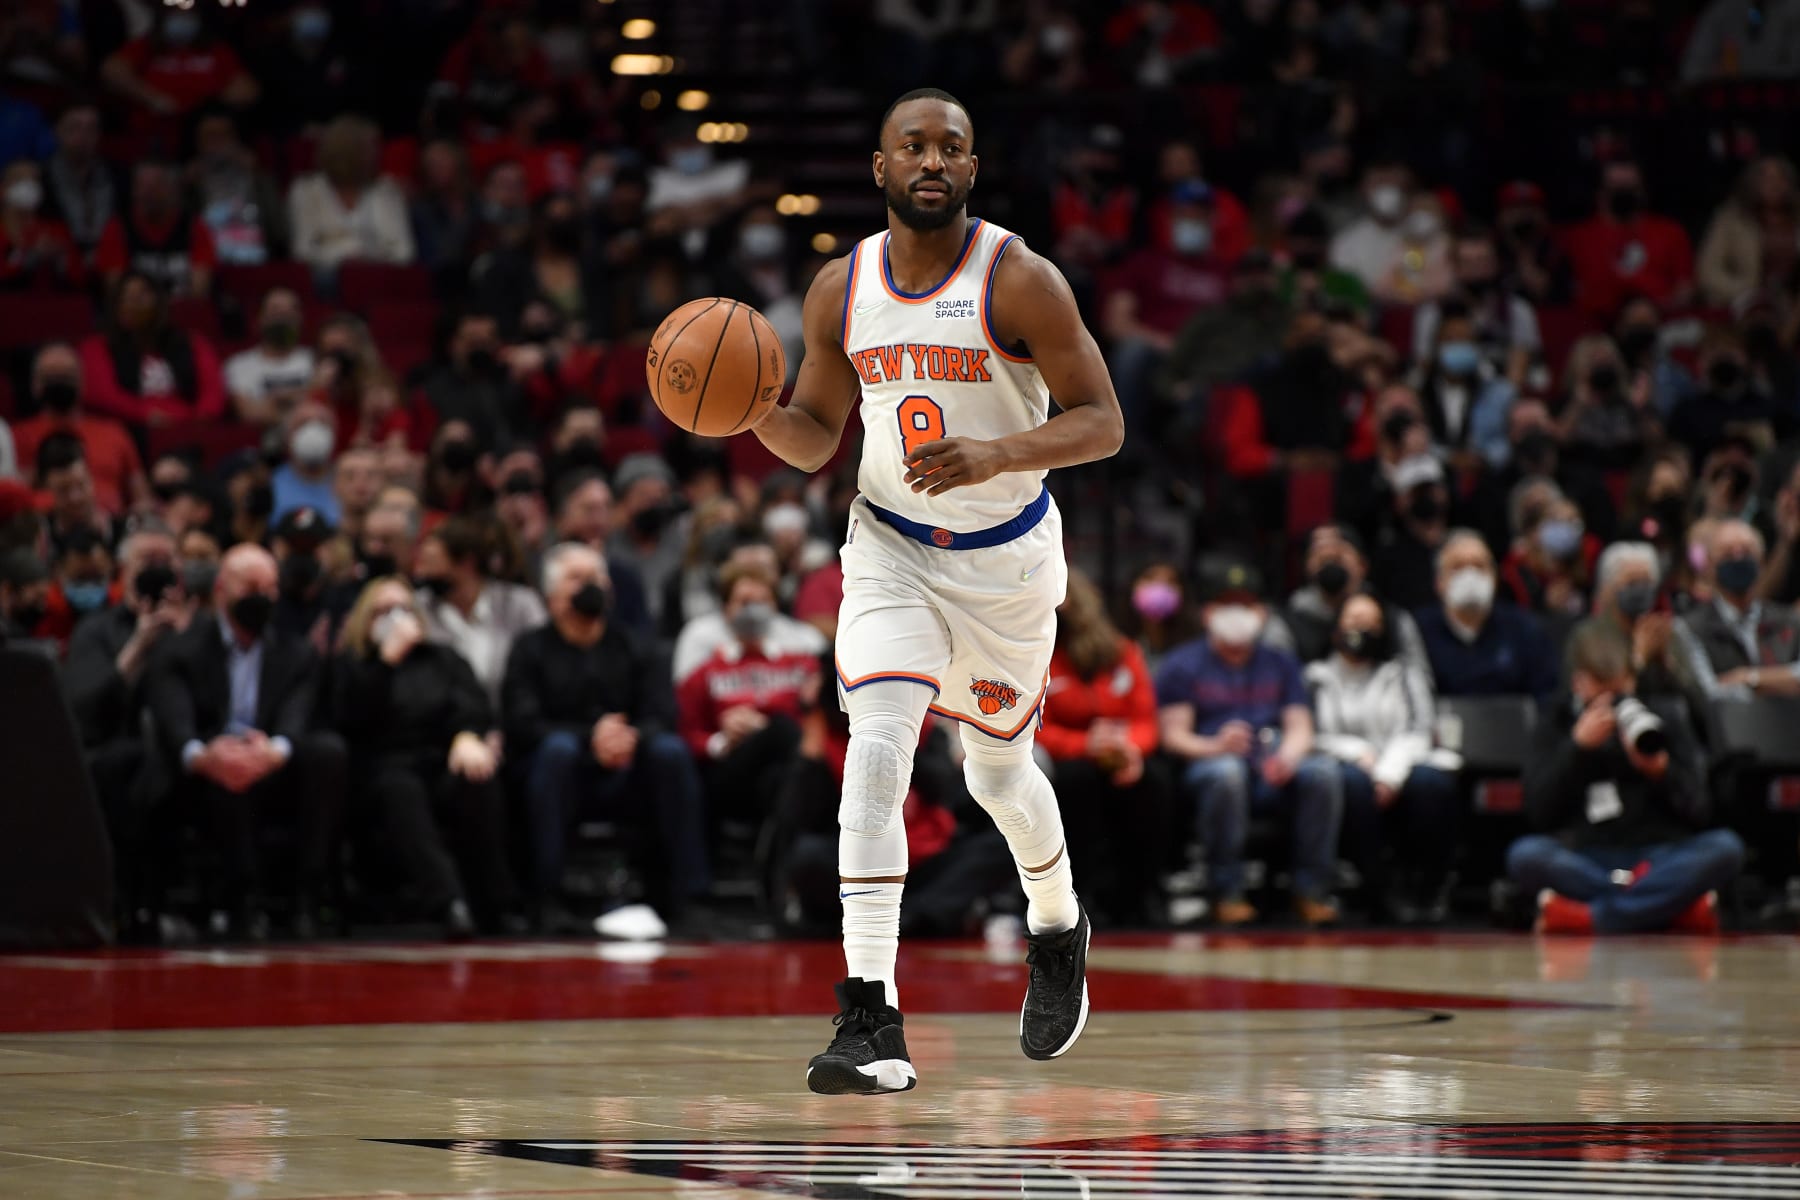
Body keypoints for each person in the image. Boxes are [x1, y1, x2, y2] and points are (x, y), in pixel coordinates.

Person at [747, 89, 1124, 1091]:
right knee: (875, 751)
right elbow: (816, 434)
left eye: (950, 147)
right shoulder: (840, 286)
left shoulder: (1022, 279)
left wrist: (998, 450)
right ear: (878, 167)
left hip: (1005, 564)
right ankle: (869, 1017)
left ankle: (1056, 924)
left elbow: (1103, 422)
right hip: (890, 551)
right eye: (911, 145)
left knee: (997, 778)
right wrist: (752, 410)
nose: (931, 159)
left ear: (970, 168)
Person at [502, 543, 710, 940]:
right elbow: (522, 723)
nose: (590, 587)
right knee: (556, 751)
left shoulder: (635, 645)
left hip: (628, 769)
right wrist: (590, 738)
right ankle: (548, 898)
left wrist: (629, 737)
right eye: (577, 579)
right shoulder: (529, 649)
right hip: (561, 774)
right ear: (551, 595)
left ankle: (686, 898)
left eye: (597, 578)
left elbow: (662, 714)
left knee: (670, 752)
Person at [144, 544, 346, 940]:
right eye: (251, 586)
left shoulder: (297, 652)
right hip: (205, 770)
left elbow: (296, 716)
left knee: (328, 753)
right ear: (221, 589)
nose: (263, 597)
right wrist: (205, 756)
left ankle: (306, 899)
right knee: (226, 769)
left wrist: (273, 751)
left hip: (272, 764)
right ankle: (242, 903)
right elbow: (174, 721)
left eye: (271, 588)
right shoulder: (180, 648)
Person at [1510, 622, 1743, 934]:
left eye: (1620, 691)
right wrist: (1576, 751)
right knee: (1526, 855)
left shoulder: (1665, 715)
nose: (1614, 704)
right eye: (1601, 692)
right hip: (1586, 855)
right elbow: (1539, 813)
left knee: (1725, 848)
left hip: (1660, 855)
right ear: (1579, 683)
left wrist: (1661, 772)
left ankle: (1592, 917)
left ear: (1632, 679)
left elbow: (1700, 810)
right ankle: (1668, 909)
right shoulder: (1556, 722)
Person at [1157, 559, 1345, 930]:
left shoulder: (1281, 663)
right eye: (1228, 605)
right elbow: (1173, 735)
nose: (1238, 614)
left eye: (1247, 605)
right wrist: (1216, 745)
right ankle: (1225, 891)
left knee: (1322, 772)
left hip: (1269, 766)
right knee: (1226, 774)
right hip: (1209, 764)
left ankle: (1311, 890)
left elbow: (1299, 725)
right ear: (1208, 612)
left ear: (1262, 613)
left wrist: (1288, 757)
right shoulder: (1183, 664)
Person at [333, 578, 522, 940]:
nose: (397, 618)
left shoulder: (444, 659)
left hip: (440, 759)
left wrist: (467, 735)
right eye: (384, 611)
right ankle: (449, 902)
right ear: (364, 619)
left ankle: (496, 902)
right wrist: (387, 660)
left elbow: (473, 705)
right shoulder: (353, 664)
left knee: (477, 775)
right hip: (382, 766)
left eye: (404, 608)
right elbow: (351, 718)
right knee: (399, 791)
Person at [62, 524, 190, 937]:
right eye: (146, 562)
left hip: (185, 752)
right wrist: (137, 646)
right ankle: (137, 902)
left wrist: (185, 639)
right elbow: (83, 709)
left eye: (165, 561)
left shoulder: (196, 627)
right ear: (123, 570)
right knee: (134, 767)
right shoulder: (96, 629)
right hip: (113, 759)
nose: (156, 570)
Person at [1307, 594, 1460, 923]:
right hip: (1344, 766)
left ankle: (1426, 886)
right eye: (1352, 621)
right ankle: (1377, 887)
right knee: (1350, 783)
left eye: (1369, 624)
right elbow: (1309, 736)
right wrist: (1356, 752)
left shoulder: (1403, 674)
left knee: (1431, 784)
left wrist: (1388, 773)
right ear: (1336, 627)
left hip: (1399, 762)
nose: (1359, 630)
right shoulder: (1314, 678)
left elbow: (1419, 730)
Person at [1036, 569, 1169, 928]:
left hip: (1121, 752)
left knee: (1153, 783)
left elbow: (1145, 719)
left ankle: (1143, 894)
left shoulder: (1121, 652)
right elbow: (1031, 727)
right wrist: (1084, 745)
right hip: (1070, 757)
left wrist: (1130, 750)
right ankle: (1081, 895)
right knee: (1076, 785)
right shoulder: (1038, 655)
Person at [677, 560, 821, 832]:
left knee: (778, 777)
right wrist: (722, 740)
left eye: (762, 601)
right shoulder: (707, 670)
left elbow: (818, 721)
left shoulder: (801, 664)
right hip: (729, 770)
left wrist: (764, 729)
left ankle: (778, 865)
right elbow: (686, 731)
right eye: (744, 602)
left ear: (775, 607)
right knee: (780, 728)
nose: (754, 610)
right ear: (726, 609)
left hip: (782, 771)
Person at [414, 515, 546, 708]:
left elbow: (544, 665)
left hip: (515, 724)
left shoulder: (520, 604)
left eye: (432, 562)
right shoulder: (418, 608)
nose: (421, 573)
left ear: (467, 563)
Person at [1267, 523, 1430, 675]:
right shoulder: (1286, 624)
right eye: (1322, 558)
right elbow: (1279, 689)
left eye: (1338, 556)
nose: (1329, 556)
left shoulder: (1392, 620)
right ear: (1307, 567)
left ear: (1362, 565)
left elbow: (1418, 680)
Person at [1415, 529, 1558, 702]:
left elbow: (1545, 698)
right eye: (1457, 567)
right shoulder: (1418, 632)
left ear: (1494, 579)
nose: (1469, 576)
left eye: (1479, 566)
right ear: (1439, 582)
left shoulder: (1525, 629)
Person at [1671, 519, 1800, 702]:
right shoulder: (1690, 628)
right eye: (1727, 554)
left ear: (1761, 562)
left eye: (1746, 552)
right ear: (1709, 566)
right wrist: (1782, 682)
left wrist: (1749, 678)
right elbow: (1710, 693)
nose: (1738, 558)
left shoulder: (1790, 620)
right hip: (1729, 728)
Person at [10, 344, 146, 517]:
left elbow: (142, 498)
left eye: (67, 376)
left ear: (82, 382)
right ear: (35, 385)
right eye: (51, 377)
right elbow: (18, 500)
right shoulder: (18, 436)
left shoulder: (114, 433)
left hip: (114, 528)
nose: (59, 383)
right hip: (49, 529)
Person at [79, 271, 227, 427]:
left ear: (160, 303)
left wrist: (200, 418)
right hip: (126, 428)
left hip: (188, 427)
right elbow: (103, 396)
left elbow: (213, 391)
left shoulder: (192, 343)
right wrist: (144, 415)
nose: (132, 304)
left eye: (141, 297)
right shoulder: (96, 347)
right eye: (125, 298)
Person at [287, 114, 414, 279]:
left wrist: (367, 260)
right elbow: (303, 250)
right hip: (326, 278)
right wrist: (345, 258)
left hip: (381, 276)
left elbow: (404, 251)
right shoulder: (306, 191)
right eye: (368, 149)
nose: (376, 154)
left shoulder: (387, 191)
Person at [1564, 159, 1694, 318]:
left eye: (1631, 188)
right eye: (1617, 188)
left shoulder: (1670, 233)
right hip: (1596, 325)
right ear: (1601, 193)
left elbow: (1684, 288)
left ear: (1643, 192)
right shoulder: (1578, 238)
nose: (1624, 194)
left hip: (1659, 324)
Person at [93, 161, 217, 298]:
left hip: (182, 312)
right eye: (142, 186)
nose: (148, 193)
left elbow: (199, 292)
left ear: (173, 189)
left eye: (156, 186)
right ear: (133, 190)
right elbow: (116, 293)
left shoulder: (194, 226)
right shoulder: (117, 228)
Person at [225, 289, 316, 427]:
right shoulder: (239, 365)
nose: (283, 316)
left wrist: (276, 401)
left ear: (300, 319)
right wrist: (302, 398)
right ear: (260, 319)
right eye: (275, 310)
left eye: (291, 311)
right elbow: (250, 414)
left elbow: (324, 409)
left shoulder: (316, 360)